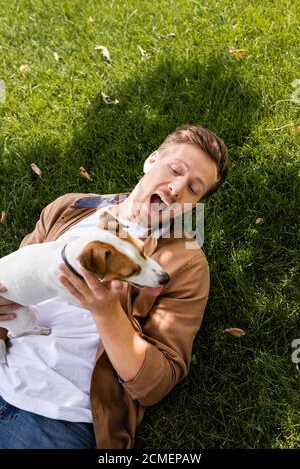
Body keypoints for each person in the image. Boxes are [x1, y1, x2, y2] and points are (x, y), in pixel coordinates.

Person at [0, 125, 229, 449]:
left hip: (51, 417)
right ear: (152, 161)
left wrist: (106, 311)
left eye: (193, 189)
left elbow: (156, 382)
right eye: (175, 169)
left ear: (193, 207)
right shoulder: (71, 208)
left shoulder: (185, 264)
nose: (177, 188)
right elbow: (14, 276)